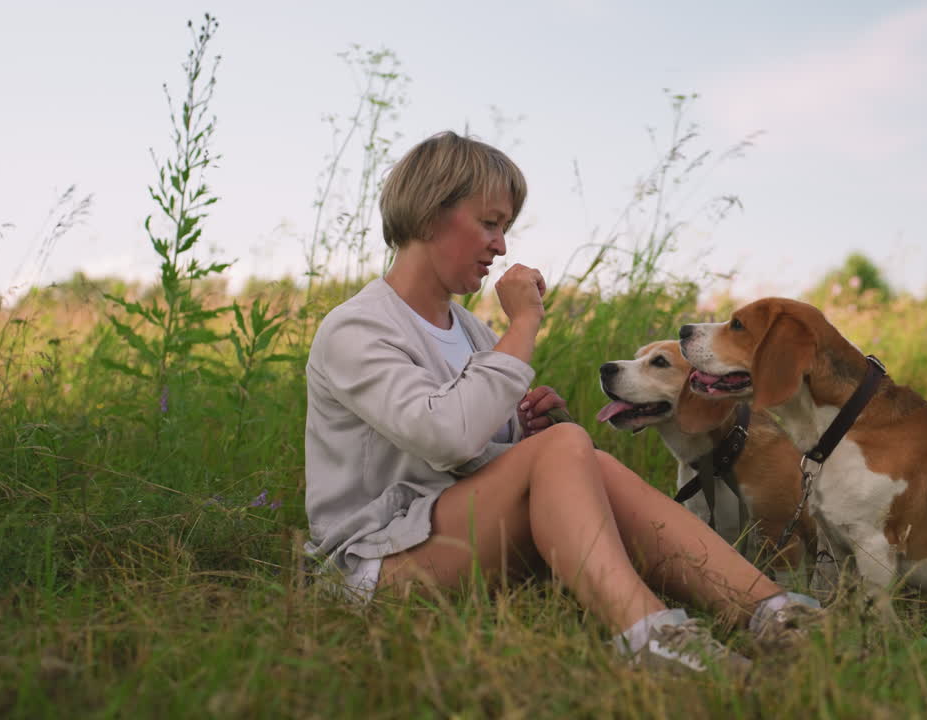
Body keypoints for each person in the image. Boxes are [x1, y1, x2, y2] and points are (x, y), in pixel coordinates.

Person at [304, 130, 820, 676]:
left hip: (451, 536)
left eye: (504, 228)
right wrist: (524, 324)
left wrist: (521, 433)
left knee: (584, 456)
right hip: (377, 566)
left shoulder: (471, 331)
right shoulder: (357, 329)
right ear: (432, 215)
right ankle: (651, 637)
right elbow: (445, 437)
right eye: (489, 223)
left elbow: (468, 448)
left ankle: (778, 614)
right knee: (566, 445)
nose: (501, 246)